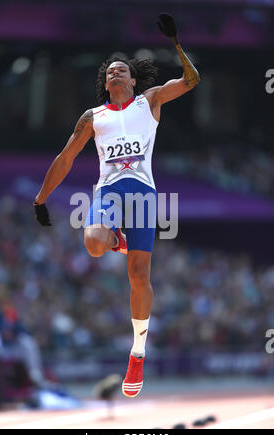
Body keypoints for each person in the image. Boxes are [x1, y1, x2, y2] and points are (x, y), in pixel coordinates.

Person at [33, 14, 200, 398]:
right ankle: (115, 239)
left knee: (139, 275)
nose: (114, 74)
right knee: (93, 243)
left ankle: (137, 351)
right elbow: (65, 158)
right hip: (108, 192)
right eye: (109, 71)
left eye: (121, 70)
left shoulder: (151, 101)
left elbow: (191, 81)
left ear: (133, 80)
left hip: (142, 192)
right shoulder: (94, 118)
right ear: (105, 82)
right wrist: (40, 198)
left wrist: (175, 42)